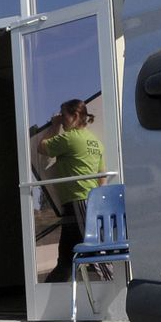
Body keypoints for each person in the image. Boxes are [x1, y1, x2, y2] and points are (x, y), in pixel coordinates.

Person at [38, 98, 111, 283]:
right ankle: (52, 294)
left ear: (75, 115)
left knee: (95, 254)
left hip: (79, 202)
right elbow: (101, 175)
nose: (61, 119)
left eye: (63, 115)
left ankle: (114, 291)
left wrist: (53, 127)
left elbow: (42, 147)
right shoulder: (95, 142)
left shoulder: (70, 139)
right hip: (88, 202)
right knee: (66, 258)